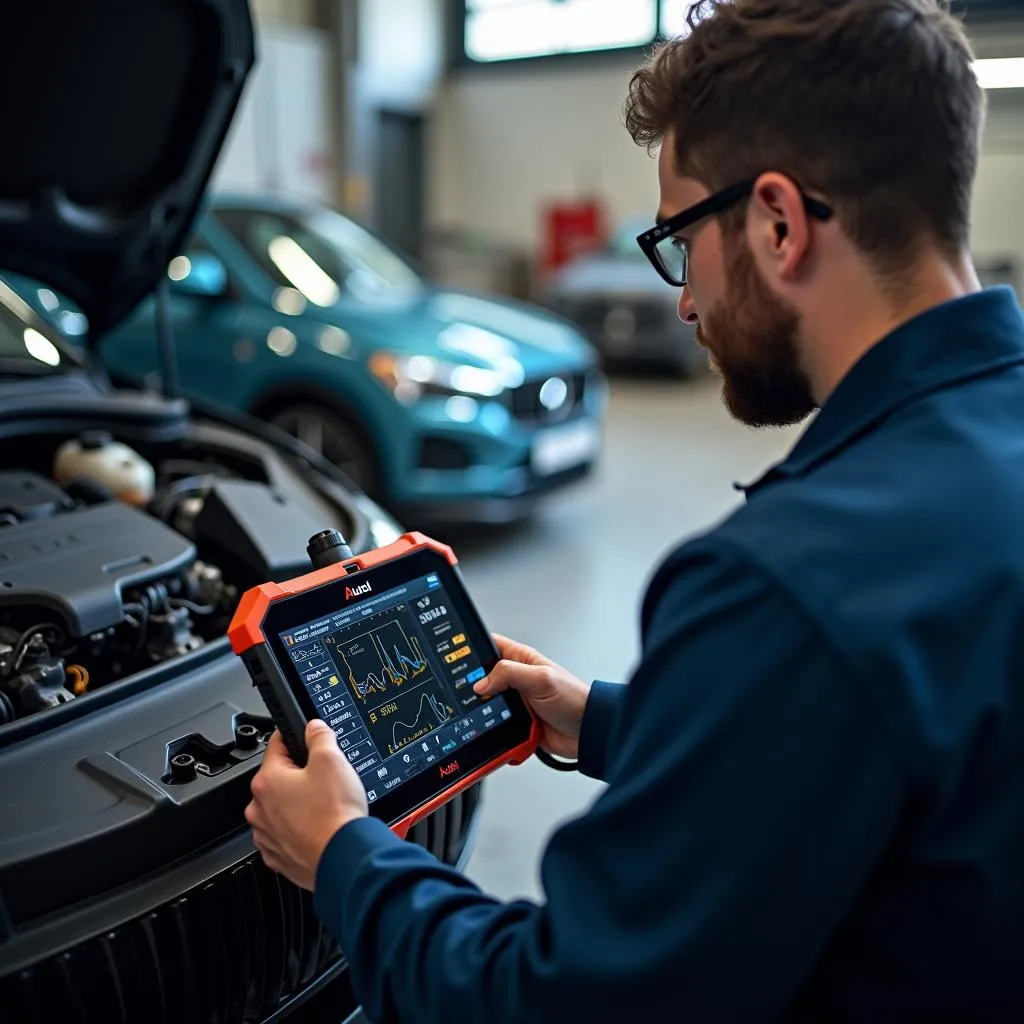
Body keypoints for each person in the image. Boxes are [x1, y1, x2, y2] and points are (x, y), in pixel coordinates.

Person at [244, 0, 1024, 1019]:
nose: (684, 300)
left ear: (778, 222)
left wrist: (341, 853)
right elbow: (882, 749)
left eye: (679, 241)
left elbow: (551, 1003)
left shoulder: (784, 584)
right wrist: (612, 720)